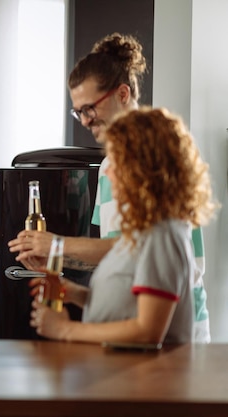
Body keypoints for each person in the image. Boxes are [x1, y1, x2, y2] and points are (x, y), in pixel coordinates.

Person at [8, 33, 212, 343]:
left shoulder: (160, 216)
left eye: (89, 108)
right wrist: (65, 282)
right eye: (79, 113)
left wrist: (56, 248)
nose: (85, 121)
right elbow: (119, 261)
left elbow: (146, 316)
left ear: (122, 93)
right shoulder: (110, 168)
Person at [27, 107, 216, 344]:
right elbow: (130, 304)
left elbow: (148, 331)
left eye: (117, 161)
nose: (109, 171)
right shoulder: (145, 231)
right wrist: (75, 294)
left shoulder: (162, 235)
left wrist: (64, 329)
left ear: (145, 168)